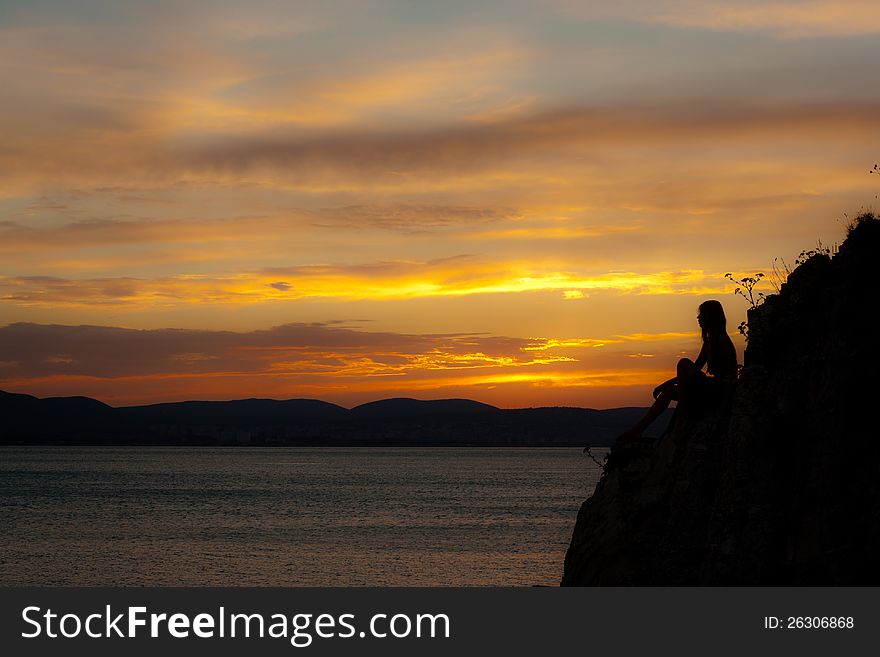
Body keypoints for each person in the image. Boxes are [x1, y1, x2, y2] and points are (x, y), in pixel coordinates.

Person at [616, 299, 738, 442]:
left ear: (709, 317)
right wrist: (665, 385)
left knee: (683, 363)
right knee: (668, 392)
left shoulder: (721, 340)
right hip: (710, 388)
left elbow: (727, 377)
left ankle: (682, 415)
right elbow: (696, 368)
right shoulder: (709, 342)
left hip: (719, 390)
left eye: (701, 315)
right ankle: (637, 430)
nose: (698, 318)